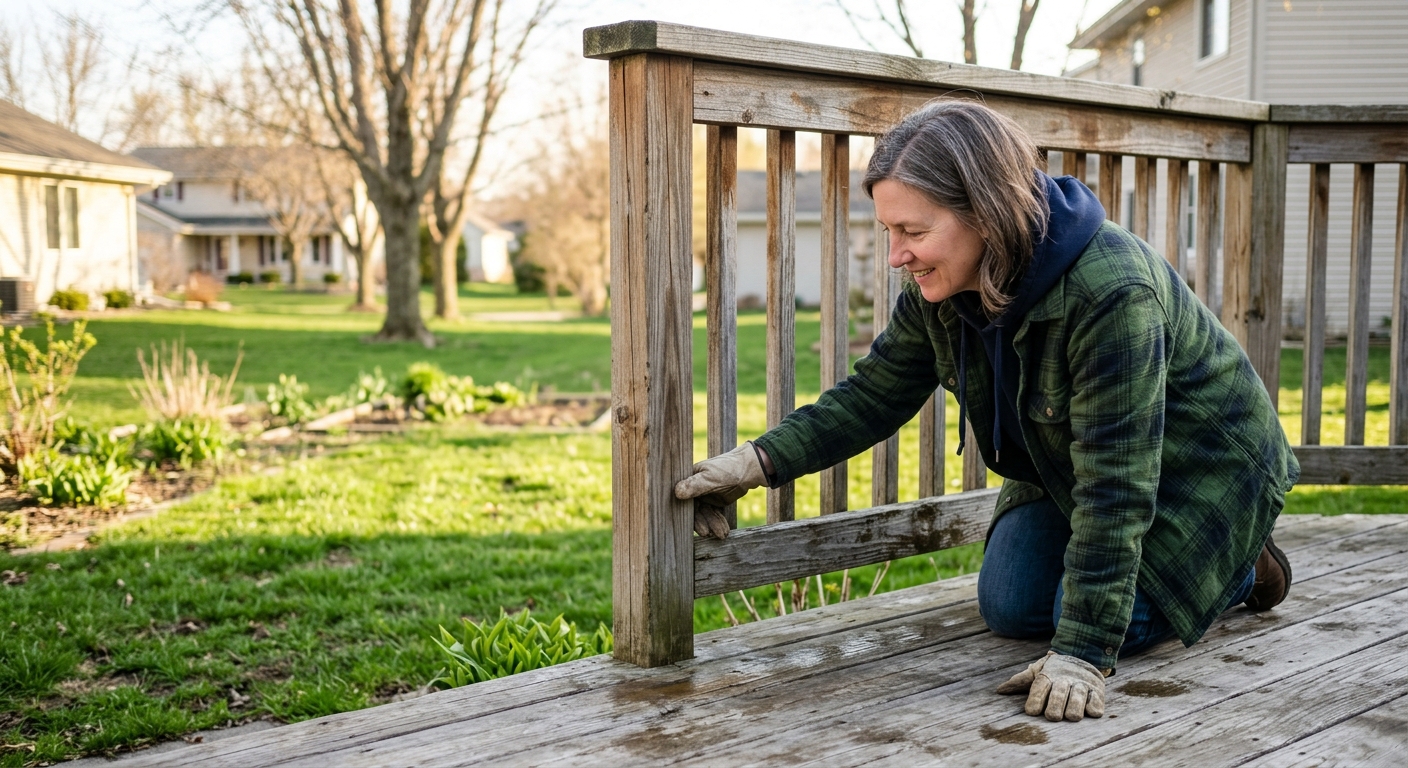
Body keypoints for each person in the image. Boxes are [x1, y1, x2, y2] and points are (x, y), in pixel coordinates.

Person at [673, 100, 1299, 724]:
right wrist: (755, 463)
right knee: (1013, 607)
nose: (897, 255)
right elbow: (875, 394)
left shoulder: (1112, 291)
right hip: (1066, 468)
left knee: (1097, 624)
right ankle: (1157, 578)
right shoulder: (943, 286)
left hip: (1198, 475)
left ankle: (1243, 562)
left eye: (914, 233)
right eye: (890, 231)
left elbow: (1118, 485)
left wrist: (1083, 653)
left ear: (988, 214)